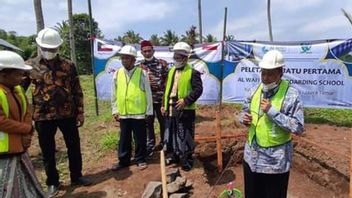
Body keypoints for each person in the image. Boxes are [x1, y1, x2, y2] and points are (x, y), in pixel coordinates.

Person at [21, 28, 92, 197]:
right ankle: (52, 181)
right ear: (39, 46)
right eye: (46, 48)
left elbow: (77, 90)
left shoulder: (68, 65)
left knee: (73, 147)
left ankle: (77, 176)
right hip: (43, 116)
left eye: (52, 49)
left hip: (68, 114)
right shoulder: (29, 66)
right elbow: (19, 91)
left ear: (58, 48)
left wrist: (80, 112)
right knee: (47, 151)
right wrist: (24, 116)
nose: (49, 52)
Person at [239, 50, 304, 198]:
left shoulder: (291, 95)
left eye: (270, 74)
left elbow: (298, 127)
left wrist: (273, 112)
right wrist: (244, 118)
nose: (266, 78)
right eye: (263, 73)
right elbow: (243, 111)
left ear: (280, 73)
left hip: (275, 164)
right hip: (252, 159)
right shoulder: (255, 90)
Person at [0, 50, 45, 197]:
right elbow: (1, 121)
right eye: (18, 74)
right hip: (3, 154)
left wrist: (27, 132)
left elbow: (27, 109)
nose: (22, 77)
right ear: (4, 74)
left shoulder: (17, 89)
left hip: (19, 148)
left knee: (24, 186)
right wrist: (26, 128)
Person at [111, 45, 153, 171]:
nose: (124, 60)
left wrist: (149, 111)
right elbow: (114, 93)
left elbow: (148, 93)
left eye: (127, 58)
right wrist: (115, 109)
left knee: (140, 137)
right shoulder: (117, 74)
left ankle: (140, 159)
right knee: (124, 138)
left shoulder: (142, 74)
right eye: (122, 58)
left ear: (134, 60)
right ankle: (123, 160)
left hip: (139, 112)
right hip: (124, 112)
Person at [162, 42, 203, 171]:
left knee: (185, 134)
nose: (176, 59)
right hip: (170, 107)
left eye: (178, 57)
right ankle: (175, 155)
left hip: (185, 109)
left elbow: (198, 90)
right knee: (173, 133)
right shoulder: (171, 71)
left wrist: (186, 100)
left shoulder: (193, 72)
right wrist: (164, 105)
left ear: (186, 58)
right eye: (175, 57)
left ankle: (187, 159)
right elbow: (167, 89)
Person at [139, 40, 168, 156]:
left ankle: (165, 143)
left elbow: (167, 82)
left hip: (161, 100)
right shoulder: (139, 66)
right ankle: (150, 146)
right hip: (147, 101)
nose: (147, 53)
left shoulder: (162, 64)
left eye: (149, 51)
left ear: (153, 51)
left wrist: (165, 101)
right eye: (144, 51)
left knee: (164, 123)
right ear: (141, 53)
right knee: (148, 124)